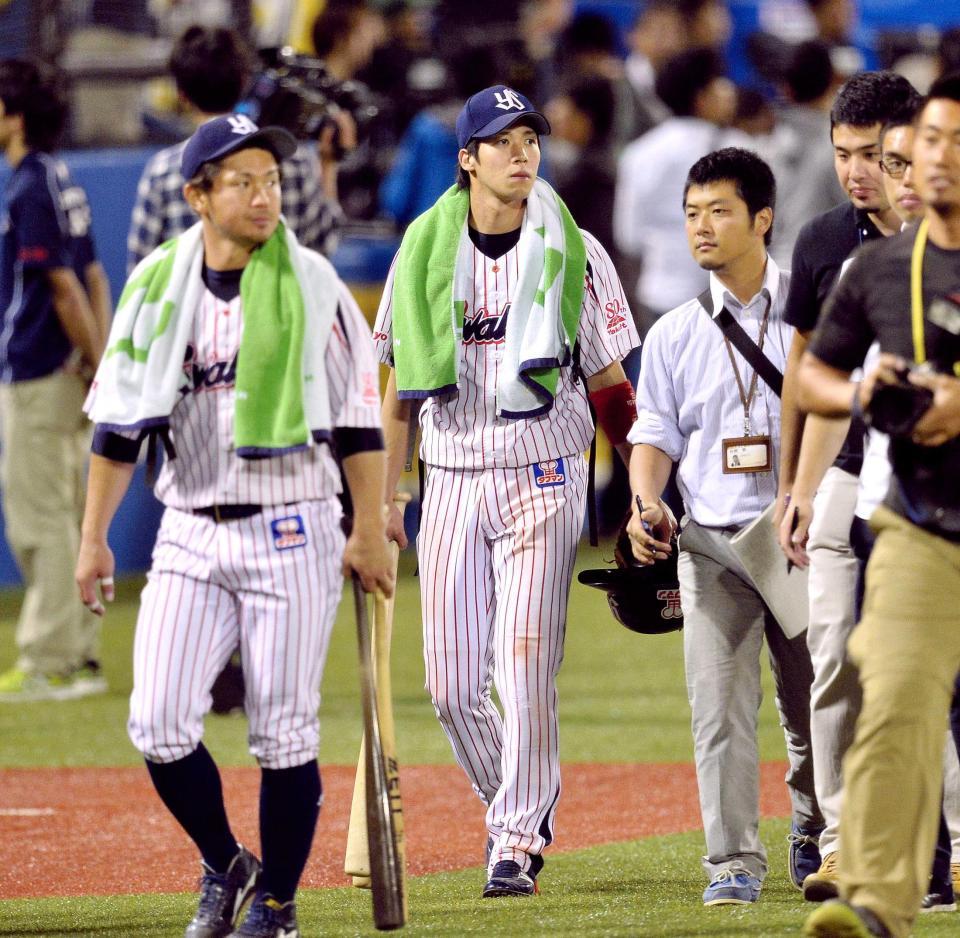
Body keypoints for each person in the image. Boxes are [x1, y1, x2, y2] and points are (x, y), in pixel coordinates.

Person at [76, 114, 392, 938]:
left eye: (273, 179)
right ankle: (227, 864)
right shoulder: (154, 287)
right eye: (243, 180)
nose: (265, 195)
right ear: (198, 196)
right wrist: (92, 538)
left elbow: (359, 420)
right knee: (157, 720)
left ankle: (279, 905)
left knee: (283, 730)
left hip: (292, 524)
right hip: (188, 527)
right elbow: (117, 428)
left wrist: (365, 528)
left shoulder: (312, 282)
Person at [373, 84, 639, 899]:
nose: (523, 153)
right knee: (452, 687)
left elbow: (609, 382)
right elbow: (396, 393)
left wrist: (642, 489)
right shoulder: (422, 249)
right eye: (503, 141)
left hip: (546, 474)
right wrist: (385, 498)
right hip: (449, 478)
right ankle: (511, 805)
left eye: (531, 138)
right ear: (467, 158)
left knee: (523, 663)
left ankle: (516, 840)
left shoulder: (573, 247)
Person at [627, 147, 822, 907]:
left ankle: (814, 830)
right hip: (709, 546)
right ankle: (733, 860)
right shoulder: (674, 331)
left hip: (796, 539)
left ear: (762, 219)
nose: (700, 227)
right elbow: (654, 433)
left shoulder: (809, 313)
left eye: (718, 211)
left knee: (814, 709)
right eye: (691, 213)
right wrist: (649, 500)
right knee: (717, 714)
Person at [799, 72, 960, 938]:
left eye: (956, 142)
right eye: (930, 141)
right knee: (890, 697)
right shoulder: (880, 265)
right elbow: (810, 372)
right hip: (921, 523)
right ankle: (874, 902)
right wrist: (865, 388)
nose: (936, 160)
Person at [773, 70, 920, 904]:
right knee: (831, 657)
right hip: (848, 471)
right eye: (844, 154)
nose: (858, 171)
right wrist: (796, 486)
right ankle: (839, 843)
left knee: (933, 671)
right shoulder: (827, 241)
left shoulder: (946, 236)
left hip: (937, 483)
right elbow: (810, 373)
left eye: (873, 153)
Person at [0, 59, 110, 702]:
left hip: (40, 369)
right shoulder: (60, 178)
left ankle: (51, 658)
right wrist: (100, 359)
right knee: (69, 512)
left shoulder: (27, 188)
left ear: (15, 116)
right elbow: (93, 275)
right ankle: (81, 654)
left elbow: (65, 286)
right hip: (69, 369)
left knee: (41, 518)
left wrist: (94, 358)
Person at [127, 25, 346, 273]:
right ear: (244, 82)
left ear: (182, 95)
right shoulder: (296, 160)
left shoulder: (162, 171)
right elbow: (322, 248)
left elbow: (142, 273)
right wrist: (329, 165)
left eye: (270, 182)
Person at [613, 47, 742, 336]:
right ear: (701, 97)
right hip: (728, 297)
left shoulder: (639, 153)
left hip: (659, 294)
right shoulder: (740, 150)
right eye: (719, 84)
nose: (729, 92)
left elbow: (628, 237)